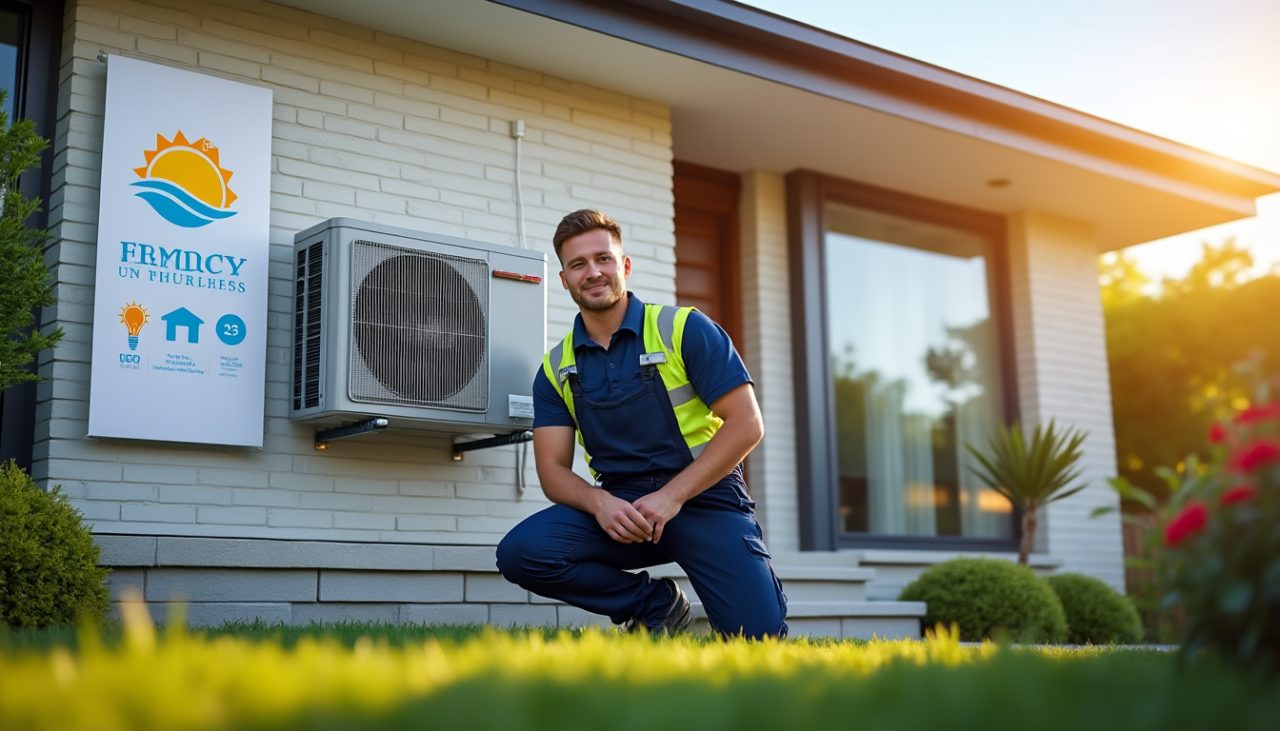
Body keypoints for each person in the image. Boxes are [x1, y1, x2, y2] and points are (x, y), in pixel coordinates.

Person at [496, 209, 787, 639]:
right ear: (564, 280)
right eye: (578, 264)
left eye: (604, 259)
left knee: (757, 639)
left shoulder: (684, 329)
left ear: (625, 266)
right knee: (523, 553)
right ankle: (655, 605)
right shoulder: (556, 368)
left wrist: (671, 497)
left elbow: (747, 424)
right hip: (622, 509)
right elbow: (552, 471)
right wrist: (600, 504)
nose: (593, 272)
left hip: (705, 500)